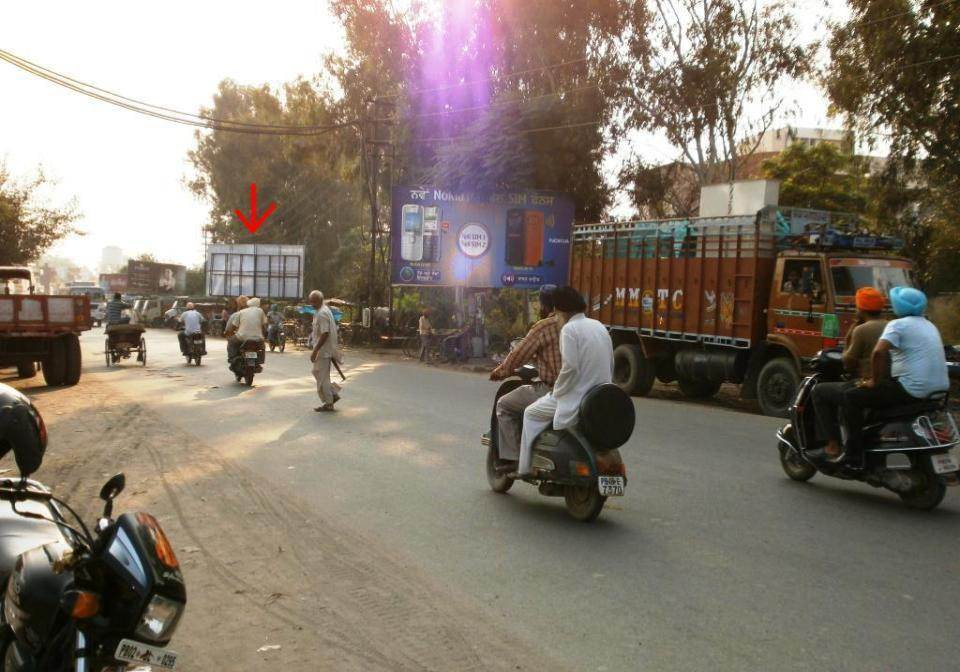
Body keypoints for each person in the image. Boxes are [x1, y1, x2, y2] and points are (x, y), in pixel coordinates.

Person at [514, 286, 613, 479]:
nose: (556, 319)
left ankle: (525, 468)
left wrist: (557, 392)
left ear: (561, 311)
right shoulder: (599, 326)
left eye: (557, 315)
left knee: (530, 413)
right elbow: (611, 362)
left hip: (575, 398)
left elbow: (570, 368)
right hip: (600, 397)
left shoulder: (569, 329)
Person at [842, 286, 949, 463]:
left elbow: (878, 353)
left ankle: (853, 453)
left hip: (911, 390)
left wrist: (874, 381)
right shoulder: (930, 325)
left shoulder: (897, 324)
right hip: (939, 390)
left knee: (851, 396)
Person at [810, 287, 888, 462]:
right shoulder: (892, 325)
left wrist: (853, 327)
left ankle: (832, 446)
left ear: (860, 309)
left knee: (820, 392)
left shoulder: (862, 329)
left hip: (866, 382)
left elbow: (848, 362)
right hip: (891, 382)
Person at [489, 286, 561, 465]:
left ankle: (512, 459)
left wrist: (500, 372)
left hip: (551, 390)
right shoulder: (576, 325)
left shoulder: (545, 326)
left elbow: (518, 354)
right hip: (583, 390)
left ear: (543, 306)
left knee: (504, 405)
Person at [309, 290, 341, 412]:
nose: (311, 303)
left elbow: (325, 333)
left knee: (322, 377)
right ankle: (332, 394)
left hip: (323, 351)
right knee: (318, 373)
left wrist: (315, 350)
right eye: (310, 301)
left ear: (319, 300)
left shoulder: (322, 313)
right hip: (324, 350)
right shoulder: (321, 311)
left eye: (313, 301)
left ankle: (329, 402)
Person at [225, 296, 265, 362]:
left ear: (238, 305)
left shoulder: (237, 314)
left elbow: (229, 329)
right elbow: (263, 326)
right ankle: (260, 359)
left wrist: (229, 335)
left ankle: (232, 358)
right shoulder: (259, 311)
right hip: (257, 338)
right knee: (262, 345)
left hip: (242, 337)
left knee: (231, 342)